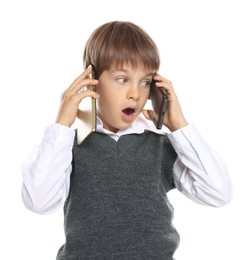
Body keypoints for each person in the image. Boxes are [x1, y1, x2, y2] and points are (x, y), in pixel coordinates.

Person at [21, 21, 233, 260]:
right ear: (92, 80)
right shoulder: (67, 146)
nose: (135, 93)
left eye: (145, 82)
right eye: (122, 79)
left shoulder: (160, 147)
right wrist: (62, 126)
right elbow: (39, 202)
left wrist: (179, 126)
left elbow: (218, 193)